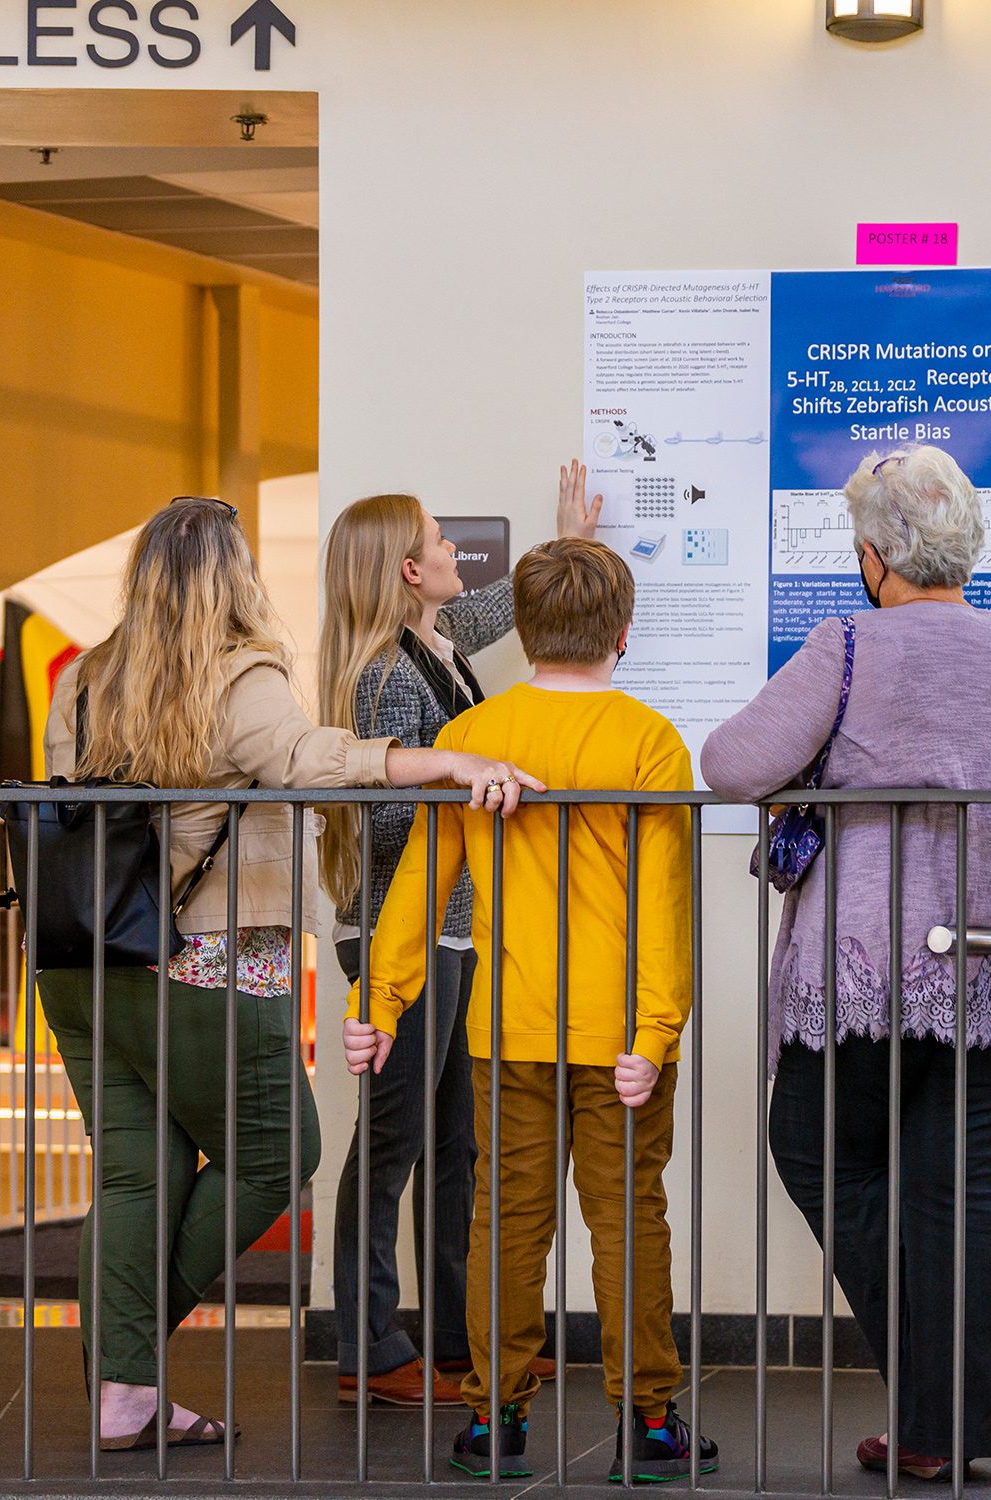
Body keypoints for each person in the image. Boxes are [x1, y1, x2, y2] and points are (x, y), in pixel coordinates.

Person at [37, 496, 539, 1451]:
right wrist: (440, 761)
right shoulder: (239, 673)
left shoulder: (85, 679)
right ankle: (121, 1352)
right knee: (277, 1154)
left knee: (137, 1176)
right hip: (209, 960)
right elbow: (311, 758)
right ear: (235, 577)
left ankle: (125, 1389)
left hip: (84, 963)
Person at [698, 445, 991, 1482]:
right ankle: (957, 1411)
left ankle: (967, 1388)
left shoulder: (852, 644)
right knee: (961, 1187)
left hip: (870, 953)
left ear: (874, 556)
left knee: (819, 1149)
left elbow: (731, 761)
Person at [343, 538, 717, 1483]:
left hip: (506, 1027)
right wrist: (656, 1032)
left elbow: (424, 883)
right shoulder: (651, 742)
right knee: (629, 1215)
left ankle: (494, 1423)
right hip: (620, 1032)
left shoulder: (479, 735)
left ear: (530, 628)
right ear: (622, 635)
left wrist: (380, 1001)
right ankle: (651, 1425)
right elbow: (663, 900)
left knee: (505, 1221)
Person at [319, 465, 601, 1406]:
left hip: (445, 937)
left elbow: (501, 610)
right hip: (402, 941)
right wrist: (474, 790)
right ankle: (367, 1345)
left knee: (454, 1144)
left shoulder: (431, 645)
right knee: (396, 1140)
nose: (455, 554)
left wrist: (569, 544)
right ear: (406, 571)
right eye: (441, 543)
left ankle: (454, 1339)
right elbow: (404, 830)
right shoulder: (388, 678)